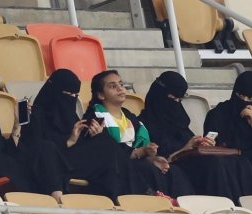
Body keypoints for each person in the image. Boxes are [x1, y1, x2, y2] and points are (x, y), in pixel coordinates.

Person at [21, 69, 134, 201]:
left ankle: (116, 199)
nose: (71, 99)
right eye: (68, 94)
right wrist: (68, 141)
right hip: (50, 163)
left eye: (75, 95)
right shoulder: (36, 115)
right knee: (46, 148)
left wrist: (92, 135)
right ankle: (57, 199)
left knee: (106, 143)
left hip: (71, 162)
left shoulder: (70, 115)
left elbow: (81, 146)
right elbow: (34, 147)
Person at [139, 71, 252, 202]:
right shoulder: (143, 125)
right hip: (185, 166)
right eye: (172, 98)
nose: (244, 102)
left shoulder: (180, 122)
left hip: (220, 163)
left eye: (179, 100)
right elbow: (162, 158)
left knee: (238, 164)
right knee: (218, 163)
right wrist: (188, 148)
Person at [84, 70, 193, 199]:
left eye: (121, 84)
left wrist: (151, 156)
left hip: (137, 162)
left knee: (174, 172)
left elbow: (141, 146)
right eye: (113, 86)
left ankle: (182, 209)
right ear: (101, 95)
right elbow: (106, 150)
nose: (120, 88)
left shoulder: (131, 118)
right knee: (145, 169)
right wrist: (140, 153)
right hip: (114, 168)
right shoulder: (95, 118)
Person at [203, 71, 252, 199]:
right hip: (227, 162)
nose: (244, 101)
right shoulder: (219, 114)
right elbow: (212, 142)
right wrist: (210, 143)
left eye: (250, 99)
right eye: (240, 95)